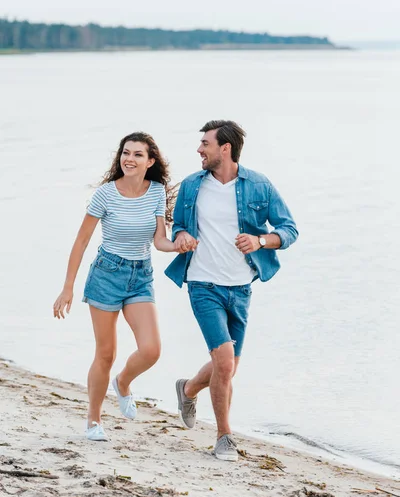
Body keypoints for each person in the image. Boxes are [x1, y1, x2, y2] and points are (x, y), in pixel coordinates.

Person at [165, 120, 298, 462]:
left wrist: (260, 240)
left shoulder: (259, 185)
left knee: (228, 366)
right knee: (224, 362)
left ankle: (189, 389)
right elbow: (179, 225)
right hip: (202, 284)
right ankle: (224, 437)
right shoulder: (193, 185)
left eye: (205, 144)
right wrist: (181, 237)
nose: (199, 149)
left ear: (225, 148)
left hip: (240, 288)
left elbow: (289, 229)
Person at [53, 132, 180, 442]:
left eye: (138, 154)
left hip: (140, 277)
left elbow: (159, 240)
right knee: (105, 354)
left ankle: (122, 383)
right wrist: (67, 287)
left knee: (151, 349)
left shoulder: (156, 192)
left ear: (150, 161)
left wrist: (179, 246)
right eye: (126, 152)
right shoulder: (106, 194)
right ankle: (93, 421)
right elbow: (81, 240)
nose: (130, 159)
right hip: (106, 276)